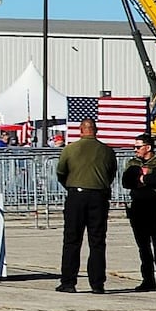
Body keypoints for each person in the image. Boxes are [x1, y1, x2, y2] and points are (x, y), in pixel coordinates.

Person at [55, 118, 118, 293]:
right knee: (97, 241)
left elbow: (61, 171)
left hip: (77, 195)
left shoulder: (70, 149)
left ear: (81, 130)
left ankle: (68, 282)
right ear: (95, 130)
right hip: (99, 196)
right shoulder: (106, 150)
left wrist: (70, 185)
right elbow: (112, 172)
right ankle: (97, 283)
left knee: (72, 240)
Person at [122, 132, 156, 292]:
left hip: (154, 205)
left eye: (138, 147)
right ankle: (148, 279)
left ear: (148, 147)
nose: (135, 150)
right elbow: (126, 181)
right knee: (143, 246)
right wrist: (143, 179)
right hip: (138, 206)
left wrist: (141, 179)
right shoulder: (132, 162)